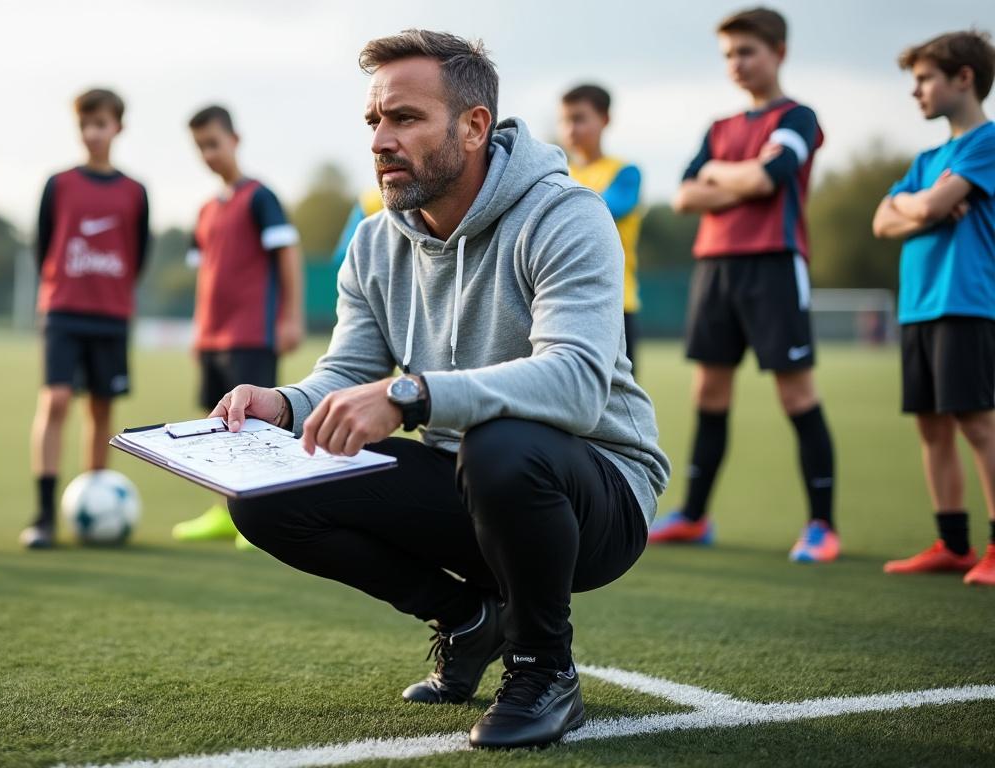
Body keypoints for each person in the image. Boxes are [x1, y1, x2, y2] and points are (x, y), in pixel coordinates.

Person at [210, 30, 668, 749]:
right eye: (374, 120)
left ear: (474, 126)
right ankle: (467, 619)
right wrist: (284, 404)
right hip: (469, 483)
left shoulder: (566, 214)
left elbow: (577, 384)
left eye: (405, 118)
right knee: (265, 495)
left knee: (501, 443)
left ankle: (544, 670)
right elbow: (347, 372)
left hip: (595, 498)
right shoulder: (374, 242)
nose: (380, 141)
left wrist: (411, 395)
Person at [651, 7, 839, 564]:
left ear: (779, 52)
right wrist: (737, 177)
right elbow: (684, 195)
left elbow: (768, 178)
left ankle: (822, 526)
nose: (737, 63)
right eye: (729, 54)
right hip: (715, 267)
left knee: (796, 393)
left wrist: (718, 174)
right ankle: (694, 516)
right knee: (708, 393)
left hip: (774, 263)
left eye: (747, 51)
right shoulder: (719, 127)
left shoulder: (798, 117)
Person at [872, 30, 995, 586]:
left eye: (924, 79)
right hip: (918, 308)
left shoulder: (985, 143)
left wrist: (915, 207)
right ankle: (953, 544)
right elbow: (883, 221)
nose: (915, 90)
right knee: (931, 427)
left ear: (964, 78)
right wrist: (917, 204)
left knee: (977, 424)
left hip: (965, 301)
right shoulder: (926, 159)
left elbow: (921, 210)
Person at [21, 88, 149, 549]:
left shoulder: (135, 191)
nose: (93, 133)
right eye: (85, 125)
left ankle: (94, 505)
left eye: (101, 124)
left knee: (101, 407)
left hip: (111, 315)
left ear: (118, 127)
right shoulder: (58, 184)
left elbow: (138, 255)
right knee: (56, 400)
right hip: (63, 311)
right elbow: (43, 246)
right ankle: (43, 515)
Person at [171, 105, 303, 550]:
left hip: (251, 335)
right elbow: (206, 275)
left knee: (253, 426)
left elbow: (288, 256)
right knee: (215, 426)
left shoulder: (261, 198)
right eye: (200, 147)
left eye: (214, 143)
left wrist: (290, 317)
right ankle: (222, 513)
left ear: (235, 140)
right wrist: (199, 330)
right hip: (212, 337)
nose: (208, 154)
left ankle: (262, 515)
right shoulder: (205, 210)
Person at [559, 84, 643, 376]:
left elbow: (595, 210)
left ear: (605, 119)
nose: (570, 129)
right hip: (560, 299)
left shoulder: (625, 172)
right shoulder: (559, 172)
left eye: (579, 119)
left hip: (615, 299)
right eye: (565, 120)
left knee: (616, 394)